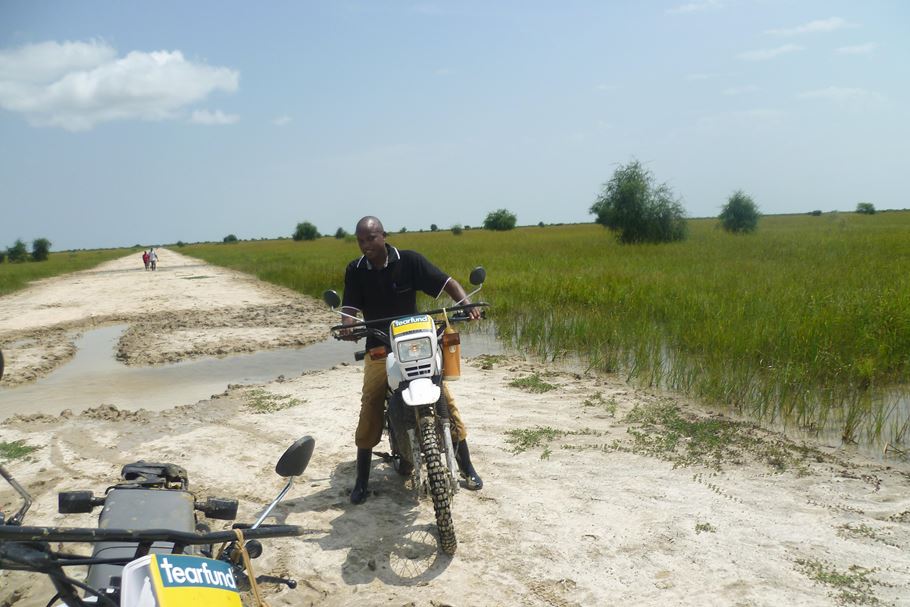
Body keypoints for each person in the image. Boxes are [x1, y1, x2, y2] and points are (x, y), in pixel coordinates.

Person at [340, 216, 483, 504]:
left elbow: (448, 283)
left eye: (371, 238)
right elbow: (350, 310)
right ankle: (362, 480)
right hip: (380, 345)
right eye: (361, 240)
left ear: (384, 236)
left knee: (444, 397)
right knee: (371, 402)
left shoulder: (410, 261)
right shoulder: (355, 270)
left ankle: (466, 466)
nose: (366, 244)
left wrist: (466, 305)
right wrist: (348, 326)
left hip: (415, 343)